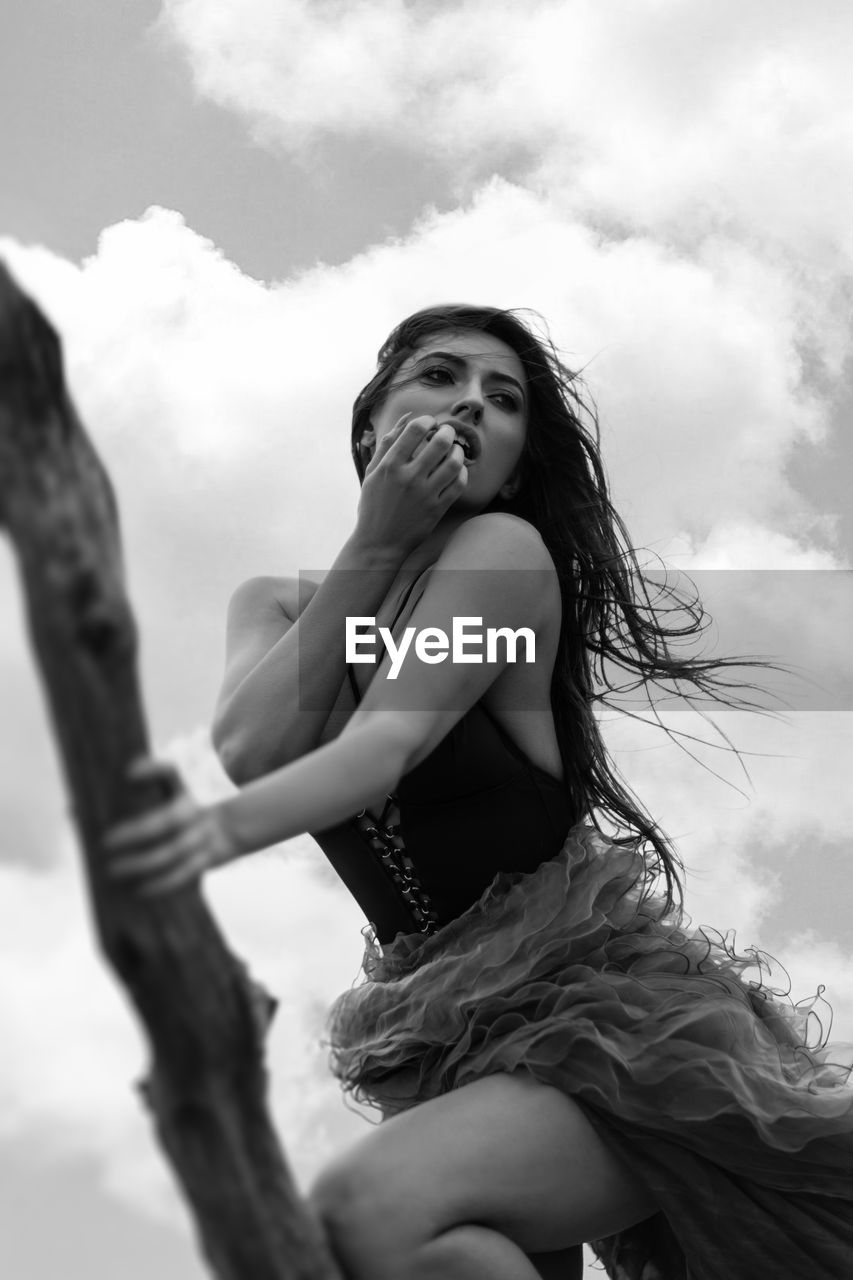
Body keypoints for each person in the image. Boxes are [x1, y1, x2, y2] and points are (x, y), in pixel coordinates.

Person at [105, 305, 853, 1280]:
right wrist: (374, 544)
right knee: (428, 1255)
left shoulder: (500, 555)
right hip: (441, 1025)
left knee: (358, 1214)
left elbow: (383, 747)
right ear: (370, 424)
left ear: (510, 462)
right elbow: (254, 747)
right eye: (439, 376)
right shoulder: (273, 603)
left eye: (501, 399)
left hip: (602, 1021)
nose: (469, 402)